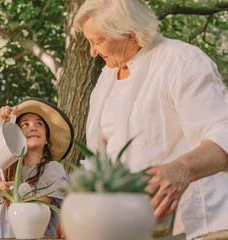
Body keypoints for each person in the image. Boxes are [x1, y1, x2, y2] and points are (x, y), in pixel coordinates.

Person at [74, 0, 228, 239]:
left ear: (130, 33)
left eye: (99, 40)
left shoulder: (182, 61)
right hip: (129, 229)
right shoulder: (106, 78)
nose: (93, 51)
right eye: (89, 41)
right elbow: (99, 161)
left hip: (198, 227)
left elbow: (223, 131)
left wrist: (182, 170)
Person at [0, 98, 74, 238]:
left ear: (46, 140)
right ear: (16, 136)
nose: (33, 127)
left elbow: (40, 204)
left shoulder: (53, 168)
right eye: (25, 125)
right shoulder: (6, 166)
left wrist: (15, 190)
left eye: (39, 124)